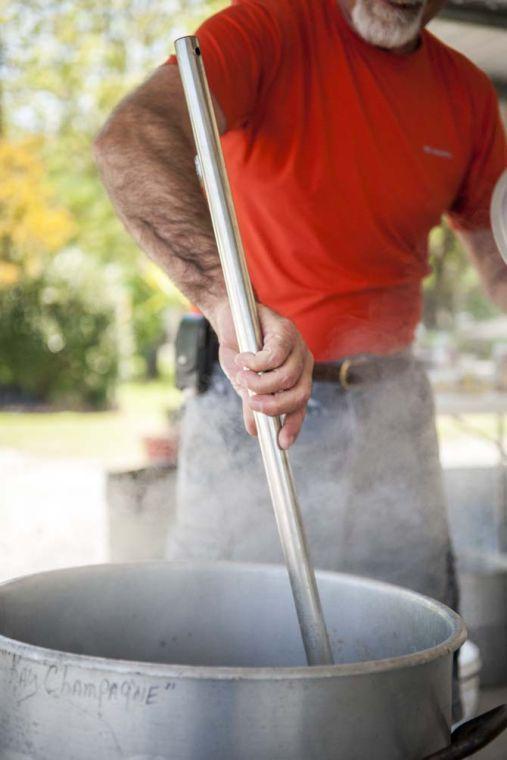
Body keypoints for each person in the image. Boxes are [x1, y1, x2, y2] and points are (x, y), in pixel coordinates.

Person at [94, 0, 506, 680]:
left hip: (388, 413)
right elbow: (130, 138)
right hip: (252, 404)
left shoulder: (461, 90)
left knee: (408, 651)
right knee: (220, 650)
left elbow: (497, 263)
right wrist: (231, 306)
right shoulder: (267, 29)